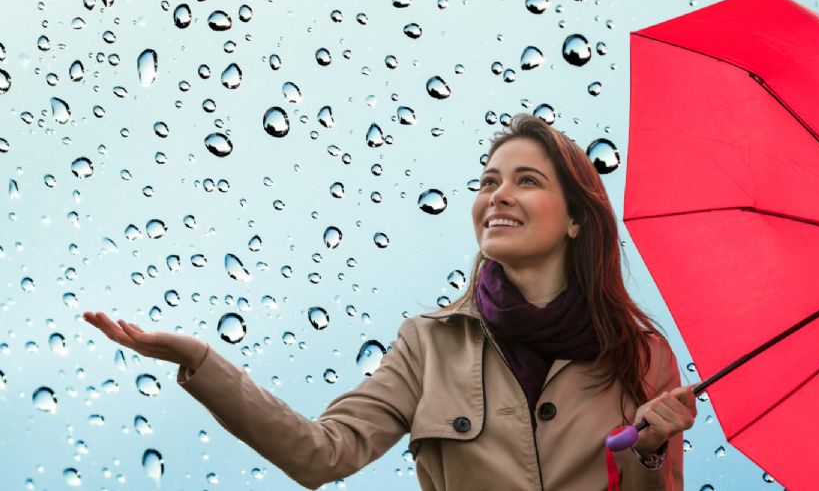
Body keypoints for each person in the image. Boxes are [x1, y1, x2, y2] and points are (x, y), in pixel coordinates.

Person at [84, 113, 696, 490]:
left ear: (574, 221)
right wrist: (201, 362)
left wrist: (648, 451)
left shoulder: (640, 357)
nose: (497, 196)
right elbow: (322, 454)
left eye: (526, 181)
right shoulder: (428, 345)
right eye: (488, 182)